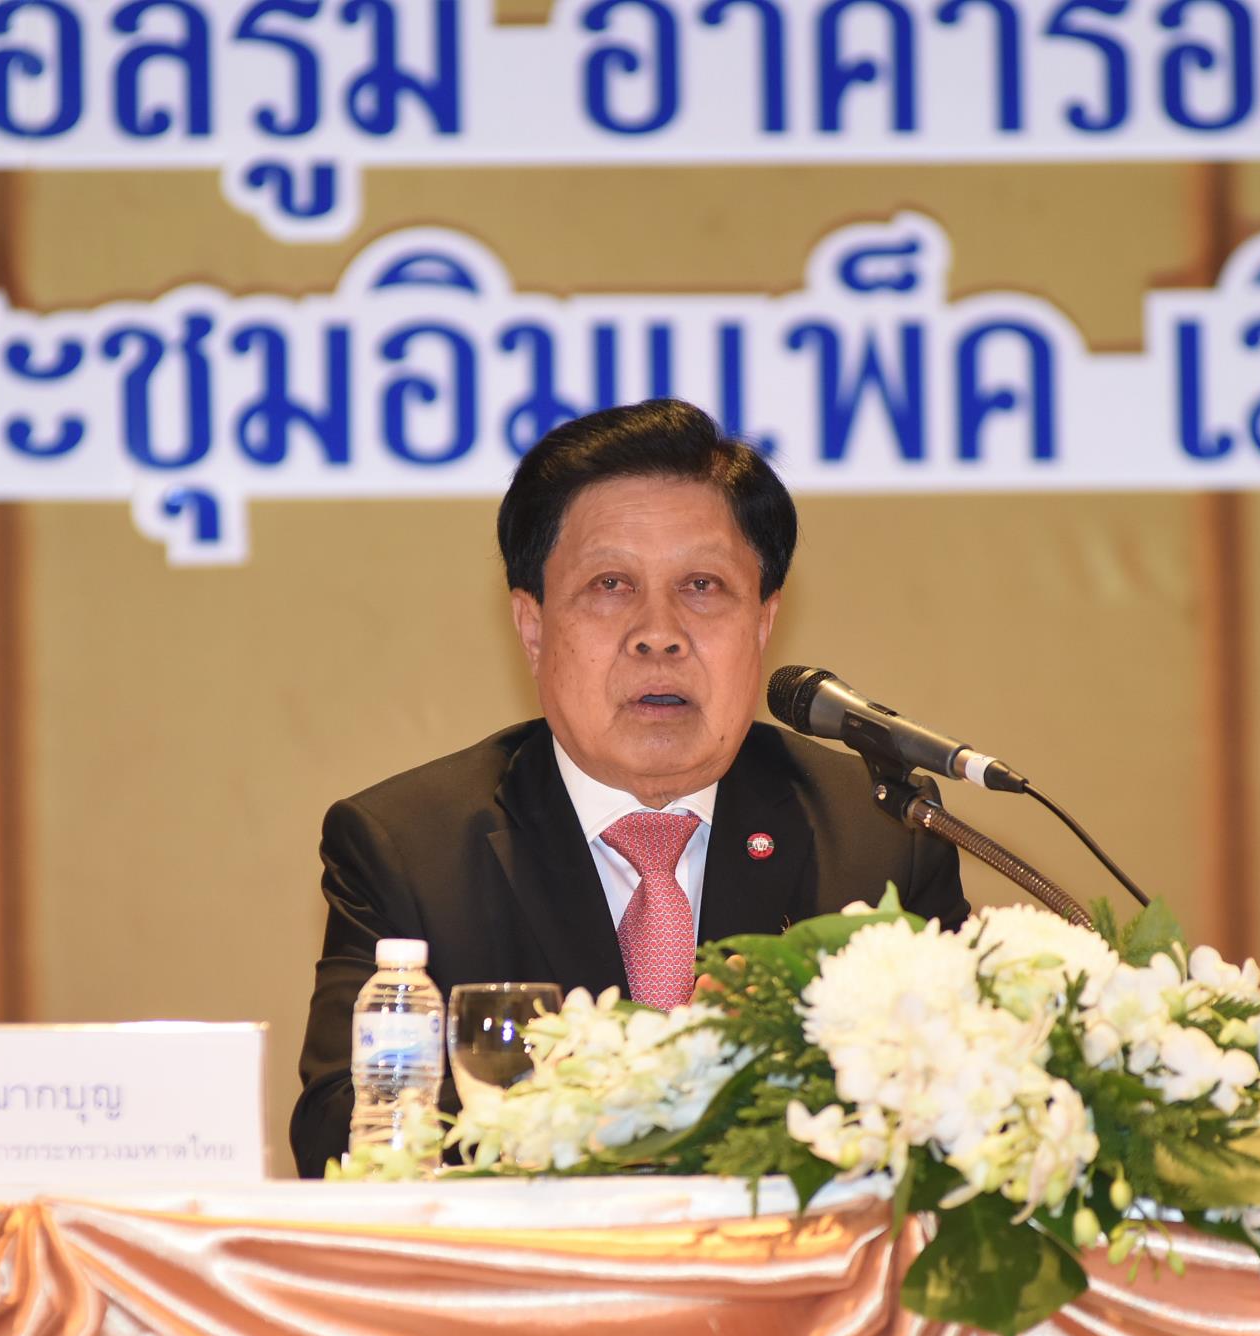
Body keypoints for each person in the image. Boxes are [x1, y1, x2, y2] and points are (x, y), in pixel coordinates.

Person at [291, 399, 969, 1176]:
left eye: (703, 585)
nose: (659, 633)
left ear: (762, 623)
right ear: (533, 628)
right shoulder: (408, 849)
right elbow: (342, 1131)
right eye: (611, 584)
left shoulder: (882, 835)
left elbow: (963, 1115)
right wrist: (637, 1101)